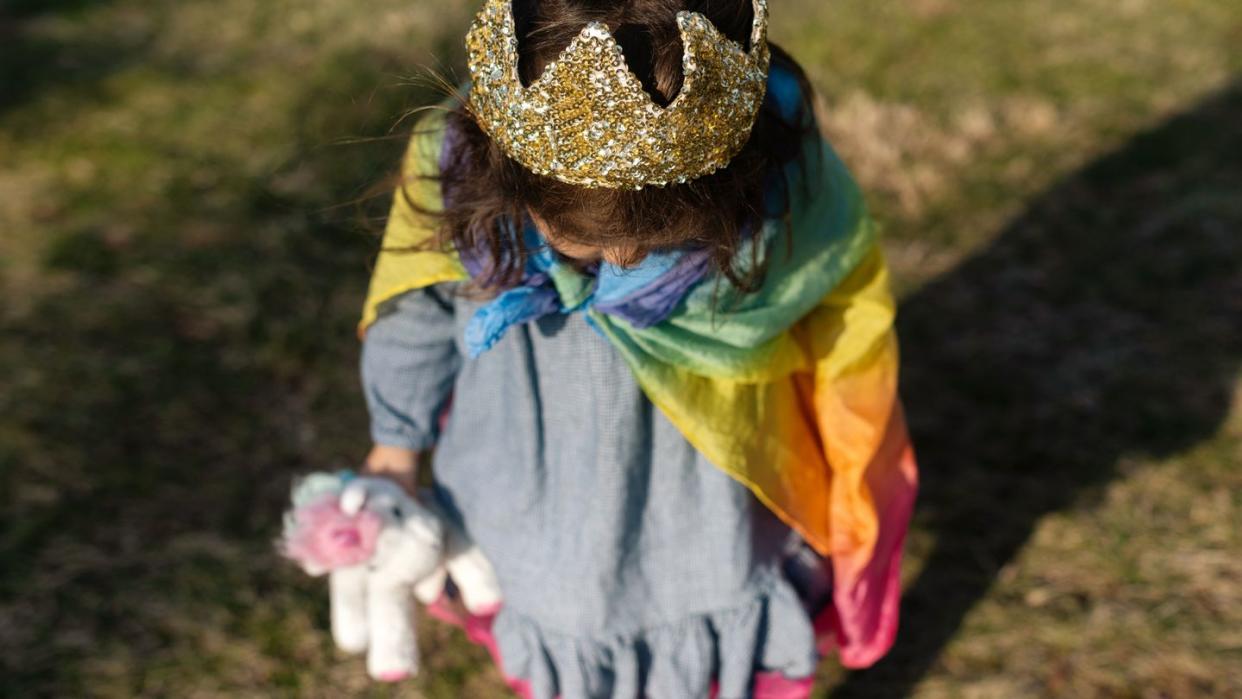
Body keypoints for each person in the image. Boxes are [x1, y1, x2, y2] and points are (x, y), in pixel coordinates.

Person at [355, 0, 918, 696]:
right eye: (586, 247)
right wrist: (396, 443)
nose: (621, 263)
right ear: (506, 173)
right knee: (566, 618)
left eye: (657, 247)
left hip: (702, 505)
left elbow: (835, 308)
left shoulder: (776, 168)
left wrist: (841, 461)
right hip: (541, 494)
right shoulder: (462, 159)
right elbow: (418, 304)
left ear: (726, 182)